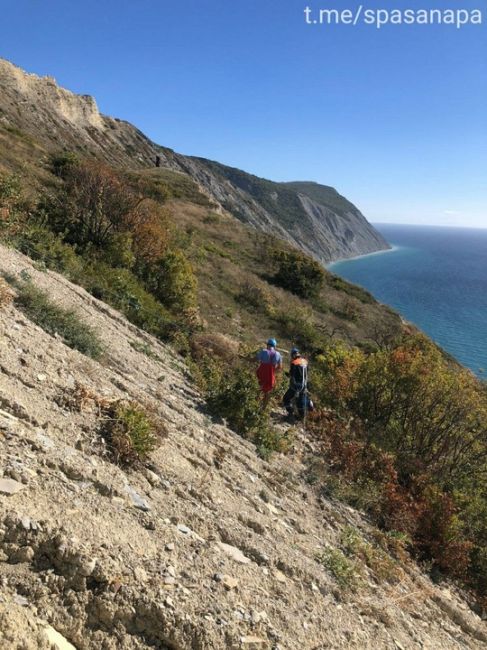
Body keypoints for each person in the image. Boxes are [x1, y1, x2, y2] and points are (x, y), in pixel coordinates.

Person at [283, 347, 313, 419]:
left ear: (293, 355)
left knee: (286, 398)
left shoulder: (294, 363)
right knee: (300, 402)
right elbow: (306, 373)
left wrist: (287, 375)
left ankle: (290, 412)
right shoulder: (305, 362)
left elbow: (292, 375)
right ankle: (308, 403)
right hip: (305, 385)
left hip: (297, 385)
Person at [256, 338, 282, 405]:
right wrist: (272, 371)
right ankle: (263, 409)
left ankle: (255, 405)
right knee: (267, 392)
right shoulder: (278, 354)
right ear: (275, 346)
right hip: (270, 375)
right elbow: (279, 367)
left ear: (267, 345)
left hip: (261, 373)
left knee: (258, 388)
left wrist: (244, 358)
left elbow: (255, 359)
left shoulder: (264, 351)